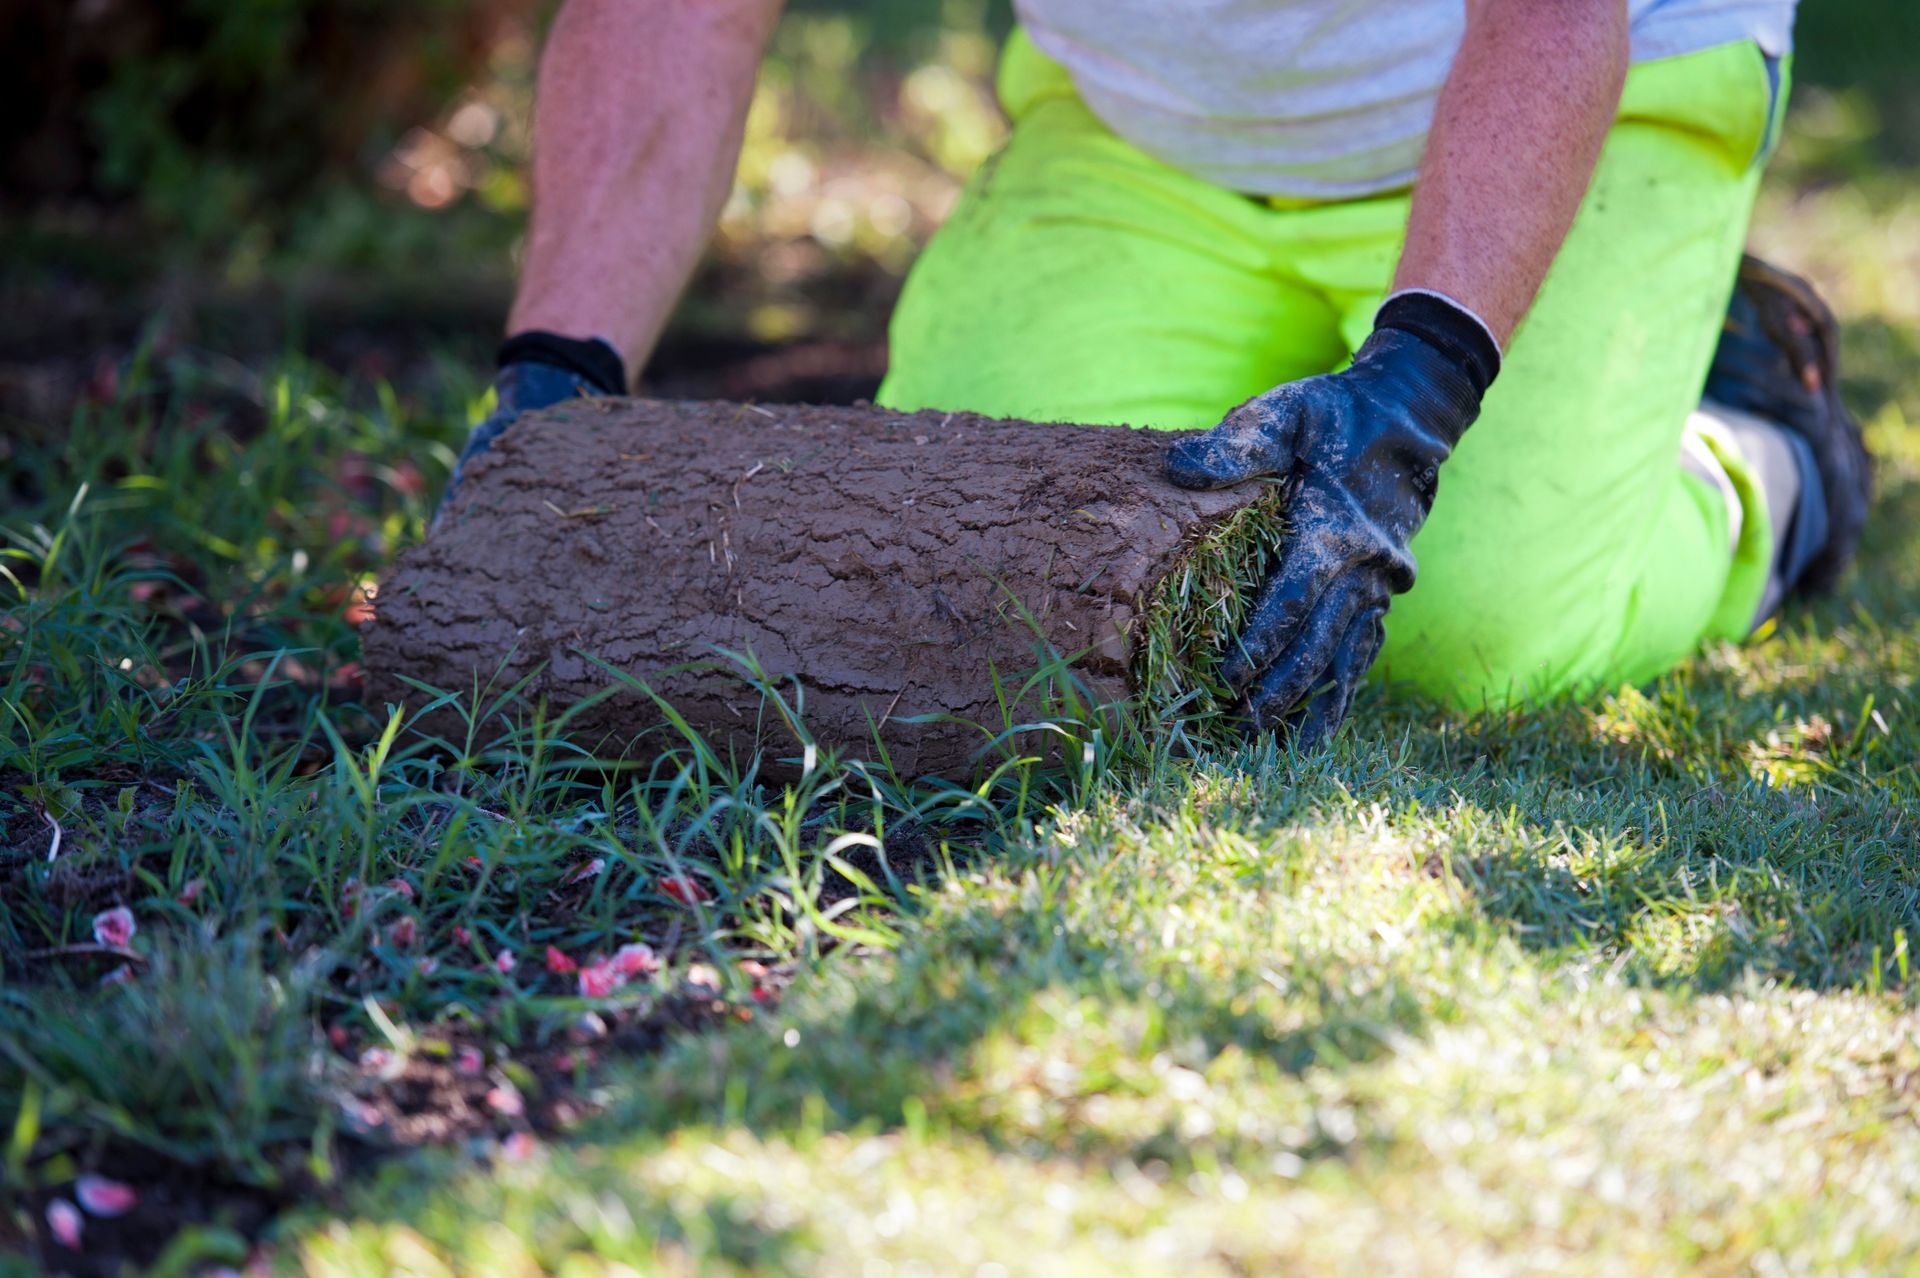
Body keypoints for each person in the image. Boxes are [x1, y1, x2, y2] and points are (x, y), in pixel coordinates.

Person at [439, 0, 1871, 746]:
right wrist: (557, 374)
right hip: (1148, 135)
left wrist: (1424, 387)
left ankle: (1764, 454)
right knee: (980, 572)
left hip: (1590, 89)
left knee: (1468, 632)